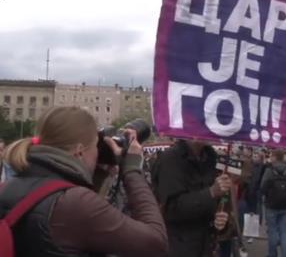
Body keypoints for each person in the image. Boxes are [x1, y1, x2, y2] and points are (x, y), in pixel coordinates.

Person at [0, 106, 168, 257]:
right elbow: (156, 242)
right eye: (96, 146)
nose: (98, 151)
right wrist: (132, 169)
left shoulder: (8, 187)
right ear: (80, 151)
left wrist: (99, 174)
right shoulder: (75, 203)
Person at [152, 139, 231, 257]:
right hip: (177, 247)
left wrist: (220, 220)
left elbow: (217, 203)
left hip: (206, 246)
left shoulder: (212, 158)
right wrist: (210, 193)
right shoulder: (169, 159)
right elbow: (171, 209)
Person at [261, 149, 286, 257]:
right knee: (284, 232)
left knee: (272, 232)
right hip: (285, 204)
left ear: (275, 157)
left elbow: (262, 187)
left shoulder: (269, 171)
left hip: (271, 204)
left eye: (272, 156)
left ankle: (272, 254)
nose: (270, 158)